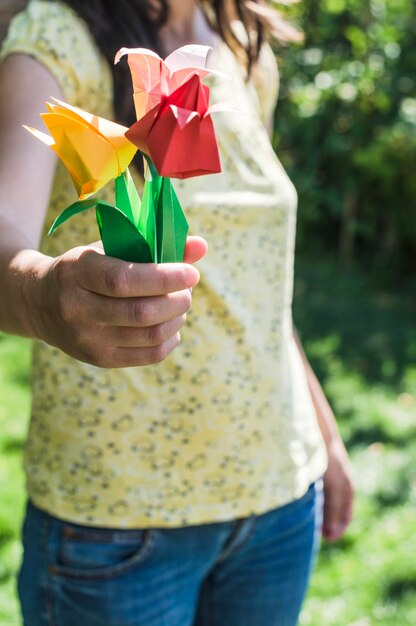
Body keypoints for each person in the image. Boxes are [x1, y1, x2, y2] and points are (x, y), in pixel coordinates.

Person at [0, 1, 354, 624]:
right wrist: (46, 295)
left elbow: (257, 279)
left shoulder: (243, 45)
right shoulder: (56, 37)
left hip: (278, 499)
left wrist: (321, 432)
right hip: (118, 524)